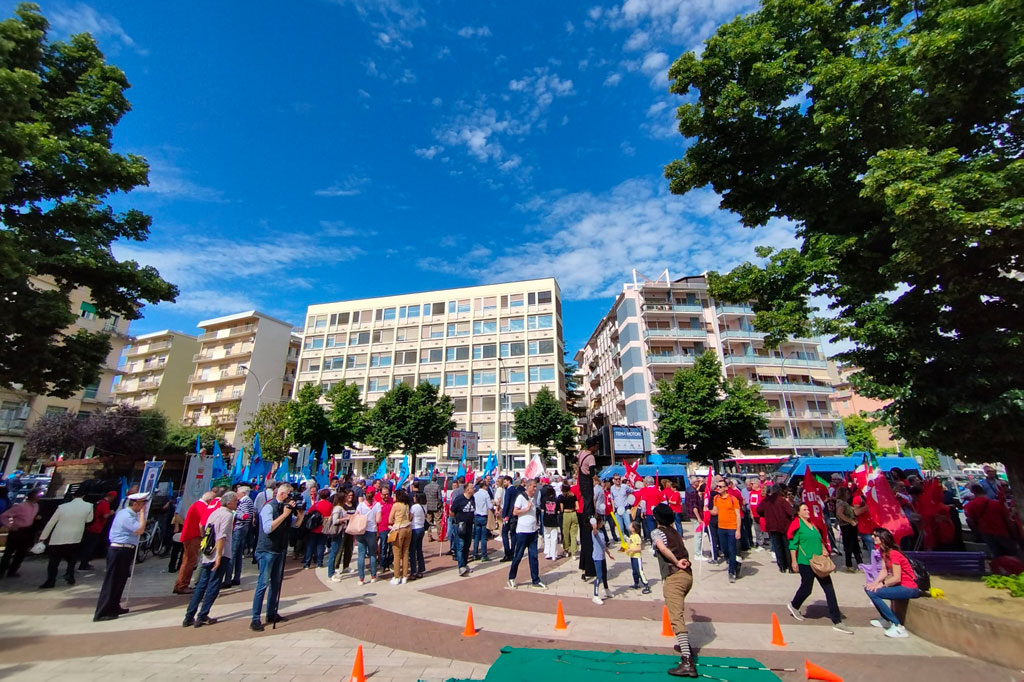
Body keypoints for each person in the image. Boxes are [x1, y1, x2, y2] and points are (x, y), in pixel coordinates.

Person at [786, 503, 853, 634]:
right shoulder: (797, 524)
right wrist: (794, 562)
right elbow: (793, 545)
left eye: (807, 509)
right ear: (798, 513)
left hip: (819, 562)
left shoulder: (813, 524)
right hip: (805, 562)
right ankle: (794, 605)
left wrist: (825, 551)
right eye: (804, 509)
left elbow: (820, 540)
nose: (807, 511)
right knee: (806, 589)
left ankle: (837, 620)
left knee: (829, 590)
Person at [250, 483, 304, 632]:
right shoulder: (269, 507)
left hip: (280, 550)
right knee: (263, 584)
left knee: (276, 583)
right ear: (282, 494)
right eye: (290, 495)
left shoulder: (285, 509)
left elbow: (296, 525)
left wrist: (300, 514)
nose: (291, 498)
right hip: (267, 550)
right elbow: (268, 528)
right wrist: (285, 515)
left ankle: (271, 613)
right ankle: (255, 618)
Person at [651, 504, 696, 678]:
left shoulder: (657, 532)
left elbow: (662, 548)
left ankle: (687, 661)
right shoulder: (676, 531)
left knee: (676, 617)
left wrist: (676, 561)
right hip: (687, 575)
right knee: (678, 611)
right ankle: (685, 647)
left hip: (674, 576)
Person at [183, 491, 237, 627]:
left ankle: (189, 615)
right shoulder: (227, 515)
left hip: (208, 552)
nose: (237, 503)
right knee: (213, 585)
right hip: (220, 553)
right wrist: (219, 556)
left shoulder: (214, 512)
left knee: (201, 585)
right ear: (229, 502)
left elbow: (204, 528)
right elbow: (222, 536)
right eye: (235, 501)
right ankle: (202, 615)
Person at [94, 492, 149, 621]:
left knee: (120, 580)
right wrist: (142, 515)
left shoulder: (130, 515)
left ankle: (114, 606)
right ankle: (102, 611)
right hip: (119, 549)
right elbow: (140, 530)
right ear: (135, 504)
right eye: (142, 504)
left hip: (126, 549)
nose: (143, 507)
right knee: (112, 581)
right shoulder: (126, 515)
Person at [864, 527, 921, 638]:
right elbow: (884, 570)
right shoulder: (883, 552)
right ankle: (886, 619)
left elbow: (896, 578)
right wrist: (875, 583)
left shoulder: (894, 554)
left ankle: (897, 626)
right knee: (869, 589)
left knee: (873, 593)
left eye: (875, 535)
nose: (872, 537)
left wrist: (882, 584)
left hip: (909, 588)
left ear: (883, 538)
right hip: (901, 586)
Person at [38, 488, 94, 588]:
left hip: (59, 536)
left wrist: (43, 537)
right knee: (72, 559)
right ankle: (70, 574)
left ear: (73, 496)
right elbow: (88, 520)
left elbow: (51, 522)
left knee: (54, 561)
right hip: (76, 535)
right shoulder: (89, 506)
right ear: (84, 496)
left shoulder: (62, 507)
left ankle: (51, 580)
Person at [175, 491, 217, 594]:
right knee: (190, 561)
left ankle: (180, 583)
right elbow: (203, 523)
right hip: (193, 536)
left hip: (190, 535)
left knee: (187, 560)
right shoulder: (201, 506)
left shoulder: (197, 504)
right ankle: (182, 585)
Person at [507, 479, 546, 589]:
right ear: (528, 486)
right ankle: (511, 577)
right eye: (533, 487)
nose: (535, 489)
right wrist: (526, 509)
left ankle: (535, 579)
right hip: (523, 532)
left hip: (533, 531)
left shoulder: (533, 498)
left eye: (536, 487)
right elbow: (515, 512)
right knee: (518, 556)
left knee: (534, 557)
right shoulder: (521, 497)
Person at [965, 484, 1018, 557]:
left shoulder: (970, 505)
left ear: (973, 492)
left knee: (997, 555)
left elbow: (970, 520)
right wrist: (1014, 534)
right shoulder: (996, 504)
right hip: (1002, 532)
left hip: (986, 533)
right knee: (1013, 554)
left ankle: (1001, 567)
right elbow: (1008, 520)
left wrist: (977, 532)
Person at [0, 489, 41, 578]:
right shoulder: (21, 506)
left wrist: (35, 518)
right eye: (38, 495)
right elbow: (4, 515)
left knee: (21, 552)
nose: (39, 497)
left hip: (27, 531)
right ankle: (2, 571)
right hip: (17, 531)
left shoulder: (36, 506)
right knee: (9, 552)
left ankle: (12, 571)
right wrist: (9, 525)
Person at [758, 485, 795, 573]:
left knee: (777, 547)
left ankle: (781, 566)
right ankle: (790, 566)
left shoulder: (767, 500)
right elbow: (790, 512)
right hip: (784, 527)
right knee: (787, 546)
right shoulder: (782, 501)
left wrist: (766, 514)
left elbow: (759, 510)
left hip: (772, 527)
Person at [710, 480, 742, 582]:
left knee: (732, 549)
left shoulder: (733, 499)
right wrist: (707, 510)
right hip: (721, 527)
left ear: (726, 488)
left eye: (720, 486)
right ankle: (735, 563)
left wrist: (738, 530)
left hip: (732, 527)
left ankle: (731, 572)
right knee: (724, 549)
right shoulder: (716, 498)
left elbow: (738, 515)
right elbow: (715, 511)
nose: (718, 488)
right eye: (717, 486)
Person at [223, 484, 253, 588]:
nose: (236, 494)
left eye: (238, 492)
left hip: (239, 528)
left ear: (243, 493)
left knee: (233, 554)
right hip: (243, 528)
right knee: (238, 554)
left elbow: (244, 515)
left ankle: (228, 579)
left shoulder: (245, 501)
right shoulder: (247, 501)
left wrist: (234, 513)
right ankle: (236, 577)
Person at [79, 490, 117, 571]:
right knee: (90, 547)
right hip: (96, 528)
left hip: (91, 527)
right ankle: (84, 564)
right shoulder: (105, 504)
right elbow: (105, 515)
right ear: (111, 497)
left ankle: (84, 563)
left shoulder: (99, 502)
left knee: (87, 546)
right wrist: (111, 513)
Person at [354, 490, 382, 585]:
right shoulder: (377, 505)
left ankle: (361, 578)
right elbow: (378, 520)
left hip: (361, 530)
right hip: (372, 530)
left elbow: (355, 515)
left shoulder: (361, 505)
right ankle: (373, 576)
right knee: (372, 554)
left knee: (361, 554)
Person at [303, 489, 333, 569]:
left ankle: (307, 563)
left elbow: (308, 512)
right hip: (324, 527)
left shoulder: (316, 504)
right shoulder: (330, 505)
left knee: (310, 545)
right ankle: (319, 562)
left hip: (314, 527)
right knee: (321, 546)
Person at [835, 487, 862, 572]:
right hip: (847, 526)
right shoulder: (841, 503)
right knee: (850, 545)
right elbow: (839, 513)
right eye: (847, 493)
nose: (849, 495)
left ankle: (859, 563)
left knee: (854, 545)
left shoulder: (844, 503)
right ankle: (849, 564)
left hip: (849, 526)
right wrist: (850, 521)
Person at [451, 482, 475, 576]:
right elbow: (452, 512)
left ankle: (465, 564)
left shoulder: (473, 498)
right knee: (460, 546)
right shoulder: (459, 499)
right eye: (472, 488)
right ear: (467, 490)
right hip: (460, 525)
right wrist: (456, 521)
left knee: (467, 546)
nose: (474, 489)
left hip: (469, 525)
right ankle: (461, 566)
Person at [389, 489, 412, 584]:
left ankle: (397, 576)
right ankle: (405, 576)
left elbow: (390, 519)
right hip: (408, 528)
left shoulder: (396, 505)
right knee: (405, 552)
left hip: (399, 529)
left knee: (397, 554)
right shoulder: (406, 505)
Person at [590, 517, 614, 604]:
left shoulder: (602, 532)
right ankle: (595, 595)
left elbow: (603, 545)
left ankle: (606, 589)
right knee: (599, 576)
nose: (603, 523)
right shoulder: (595, 533)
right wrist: (594, 527)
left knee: (604, 574)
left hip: (602, 556)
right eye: (601, 522)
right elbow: (594, 532)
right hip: (597, 557)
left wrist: (608, 553)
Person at [627, 518, 651, 593]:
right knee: (634, 571)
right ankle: (636, 583)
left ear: (634, 528)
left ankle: (646, 585)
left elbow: (639, 548)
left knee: (639, 571)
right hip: (632, 556)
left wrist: (631, 550)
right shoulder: (631, 536)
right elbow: (630, 545)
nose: (629, 526)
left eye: (631, 525)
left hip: (637, 557)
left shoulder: (637, 537)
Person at [609, 474, 634, 546]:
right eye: (616, 479)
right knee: (620, 528)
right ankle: (624, 543)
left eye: (619, 479)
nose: (618, 480)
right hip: (617, 510)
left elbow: (632, 491)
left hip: (625, 509)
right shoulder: (612, 488)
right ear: (613, 480)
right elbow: (612, 498)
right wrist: (613, 508)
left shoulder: (624, 486)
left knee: (628, 526)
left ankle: (632, 539)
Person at [500, 476, 521, 562]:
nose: (504, 484)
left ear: (508, 481)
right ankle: (513, 552)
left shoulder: (509, 490)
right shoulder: (516, 490)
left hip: (508, 516)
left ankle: (507, 553)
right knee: (513, 534)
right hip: (514, 516)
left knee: (504, 534)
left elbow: (507, 504)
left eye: (504, 482)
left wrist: (504, 516)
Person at [471, 480, 492, 561]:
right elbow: (489, 506)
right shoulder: (485, 494)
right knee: (483, 537)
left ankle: (475, 554)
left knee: (476, 536)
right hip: (483, 516)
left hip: (476, 515)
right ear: (485, 486)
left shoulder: (475, 494)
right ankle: (484, 555)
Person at [409, 492, 427, 579]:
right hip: (421, 528)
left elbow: (410, 517)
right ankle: (421, 569)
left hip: (414, 528)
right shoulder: (424, 506)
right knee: (419, 550)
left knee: (412, 551)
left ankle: (413, 571)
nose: (413, 498)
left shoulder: (414, 507)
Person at [557, 483, 578, 558]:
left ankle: (566, 550)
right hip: (573, 513)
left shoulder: (561, 497)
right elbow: (577, 507)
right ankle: (574, 553)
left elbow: (561, 508)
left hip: (566, 514)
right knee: (573, 534)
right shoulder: (573, 496)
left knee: (565, 533)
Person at [540, 481, 560, 560]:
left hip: (546, 520)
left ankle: (547, 552)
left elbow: (542, 510)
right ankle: (554, 554)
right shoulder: (556, 500)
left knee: (547, 536)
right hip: (554, 521)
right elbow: (558, 511)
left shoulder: (544, 499)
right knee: (554, 537)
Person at [424, 475, 441, 541]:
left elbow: (424, 496)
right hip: (436, 506)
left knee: (429, 521)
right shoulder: (437, 486)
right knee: (438, 521)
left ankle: (429, 536)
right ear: (436, 480)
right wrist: (440, 504)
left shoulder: (426, 487)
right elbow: (439, 497)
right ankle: (439, 535)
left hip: (428, 506)